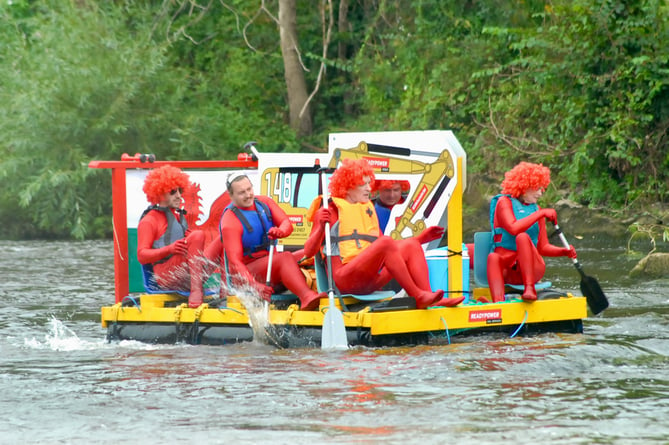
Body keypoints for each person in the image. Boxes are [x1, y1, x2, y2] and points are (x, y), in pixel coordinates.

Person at [304, 159, 465, 309]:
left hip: (369, 280)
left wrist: (420, 239)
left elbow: (387, 249)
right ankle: (417, 294)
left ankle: (428, 296)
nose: (369, 188)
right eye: (363, 185)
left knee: (410, 245)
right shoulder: (329, 210)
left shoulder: (366, 210)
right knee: (387, 242)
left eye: (369, 183)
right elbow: (309, 252)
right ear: (349, 186)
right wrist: (319, 227)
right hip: (345, 280)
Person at [219, 173, 325, 311]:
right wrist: (254, 285)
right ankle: (307, 297)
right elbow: (235, 263)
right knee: (285, 258)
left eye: (249, 189)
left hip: (270, 264)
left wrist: (280, 231)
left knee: (311, 252)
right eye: (241, 193)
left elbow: (286, 223)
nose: (248, 195)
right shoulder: (230, 220)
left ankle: (330, 289)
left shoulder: (264, 203)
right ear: (231, 195)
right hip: (246, 276)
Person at [487, 162, 577, 302]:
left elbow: (543, 247)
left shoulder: (537, 210)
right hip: (510, 270)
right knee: (493, 257)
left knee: (523, 238)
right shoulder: (504, 203)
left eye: (542, 188)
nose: (541, 193)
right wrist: (540, 215)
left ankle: (530, 289)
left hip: (532, 269)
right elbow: (513, 228)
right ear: (524, 186)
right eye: (537, 188)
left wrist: (563, 251)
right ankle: (498, 303)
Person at [137, 165, 207, 308]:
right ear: (159, 193)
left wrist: (191, 241)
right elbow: (142, 256)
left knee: (220, 239)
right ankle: (196, 291)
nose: (179, 196)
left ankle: (227, 292)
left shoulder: (178, 216)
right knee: (198, 235)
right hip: (166, 276)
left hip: (186, 272)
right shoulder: (149, 221)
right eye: (173, 191)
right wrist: (170, 249)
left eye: (180, 190)